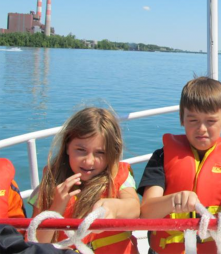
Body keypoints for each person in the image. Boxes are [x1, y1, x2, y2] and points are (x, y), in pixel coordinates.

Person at [139, 77, 221, 254]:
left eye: (211, 121)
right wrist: (173, 200)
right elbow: (146, 212)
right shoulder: (161, 157)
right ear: (181, 119)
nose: (201, 128)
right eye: (193, 120)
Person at [29, 107, 140, 254]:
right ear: (67, 146)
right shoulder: (50, 182)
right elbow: (36, 242)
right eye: (80, 150)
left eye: (100, 152)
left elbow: (134, 208)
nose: (89, 161)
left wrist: (114, 208)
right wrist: (56, 207)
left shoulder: (119, 176)